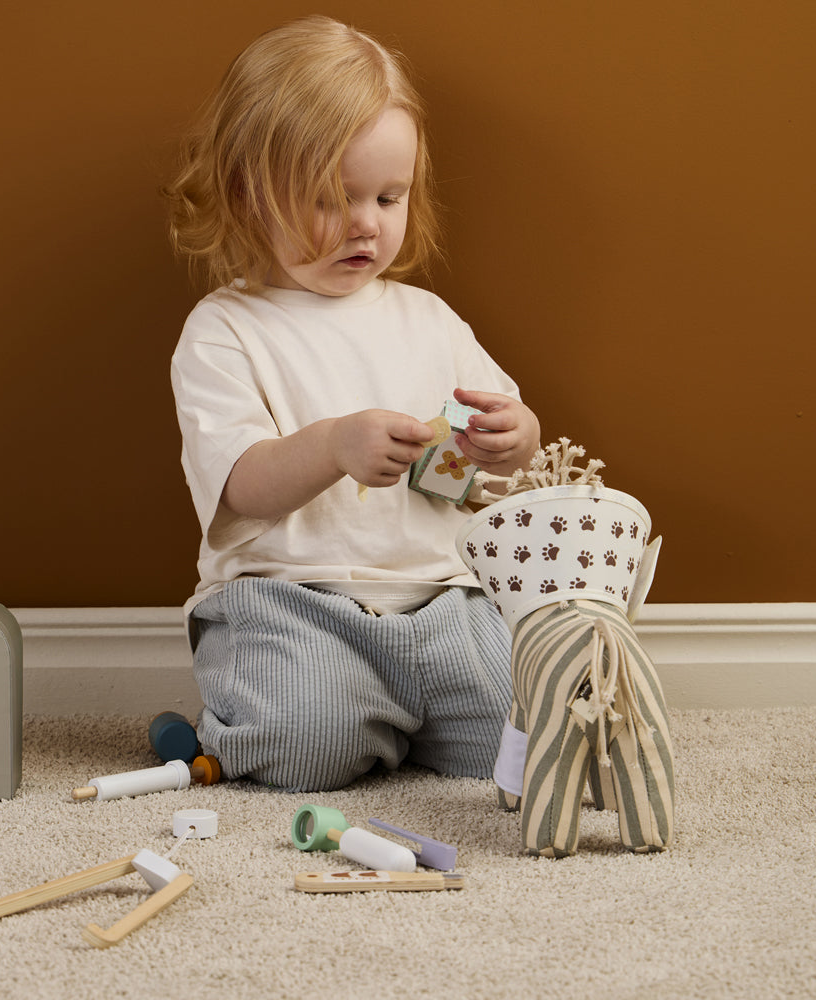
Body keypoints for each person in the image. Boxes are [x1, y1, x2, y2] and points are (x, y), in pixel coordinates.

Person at [166, 15, 541, 791]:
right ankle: (235, 728)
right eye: (332, 199)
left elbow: (488, 470)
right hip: (293, 607)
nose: (367, 222)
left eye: (389, 195)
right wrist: (334, 446)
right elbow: (239, 486)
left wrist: (514, 438)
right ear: (249, 191)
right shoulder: (226, 331)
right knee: (304, 747)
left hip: (447, 603)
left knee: (529, 737)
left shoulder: (428, 320)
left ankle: (392, 723)